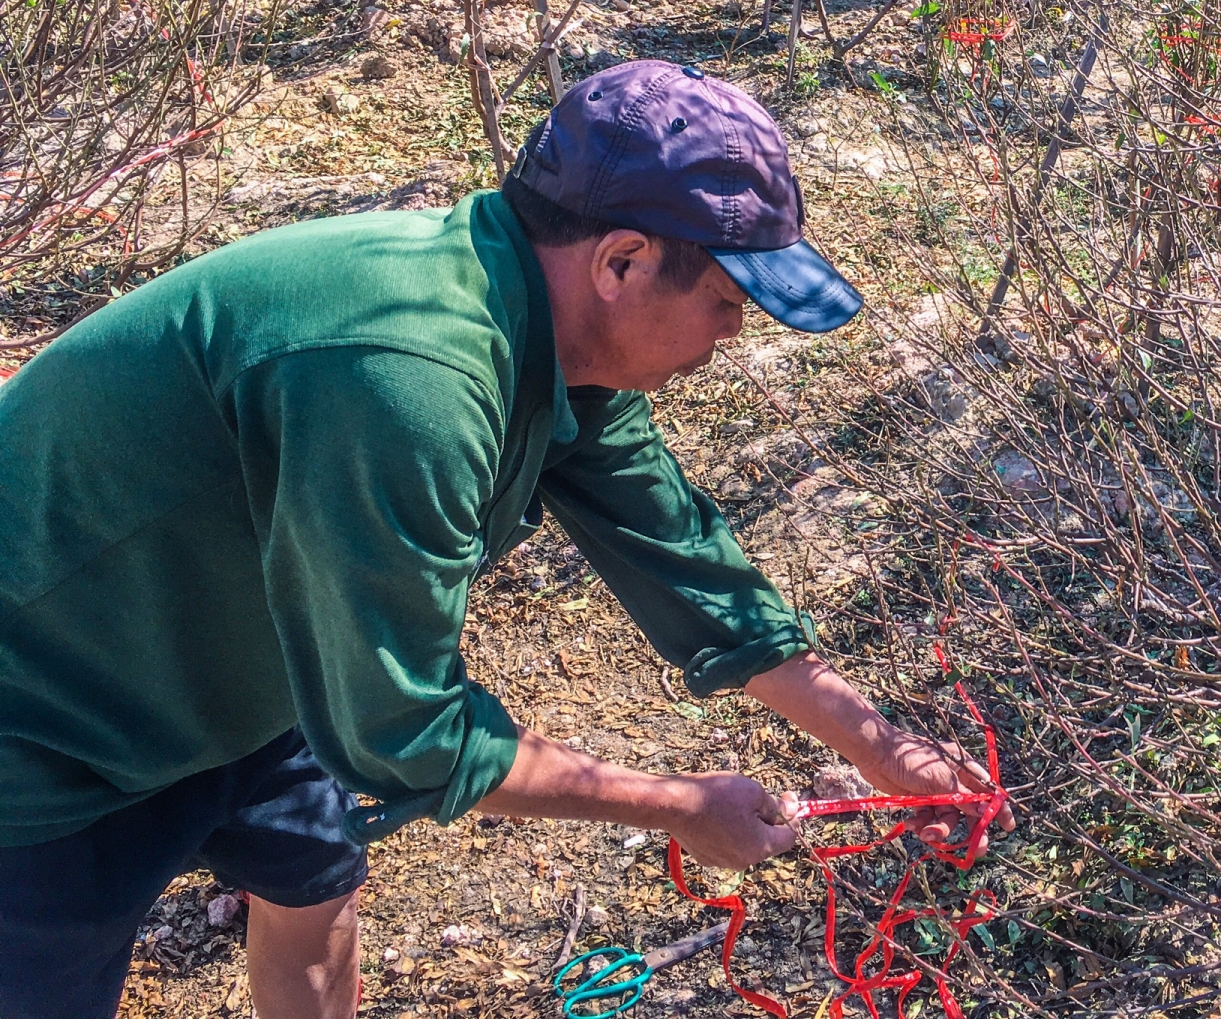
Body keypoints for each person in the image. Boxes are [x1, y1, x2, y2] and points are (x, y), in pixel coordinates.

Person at [0, 60, 1011, 1018]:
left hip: (239, 664)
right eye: (728, 299)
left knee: (311, 884)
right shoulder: (410, 383)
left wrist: (885, 754)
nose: (735, 330)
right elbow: (409, 734)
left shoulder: (541, 330)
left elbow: (685, 558)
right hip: (48, 722)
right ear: (621, 260)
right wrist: (677, 807)